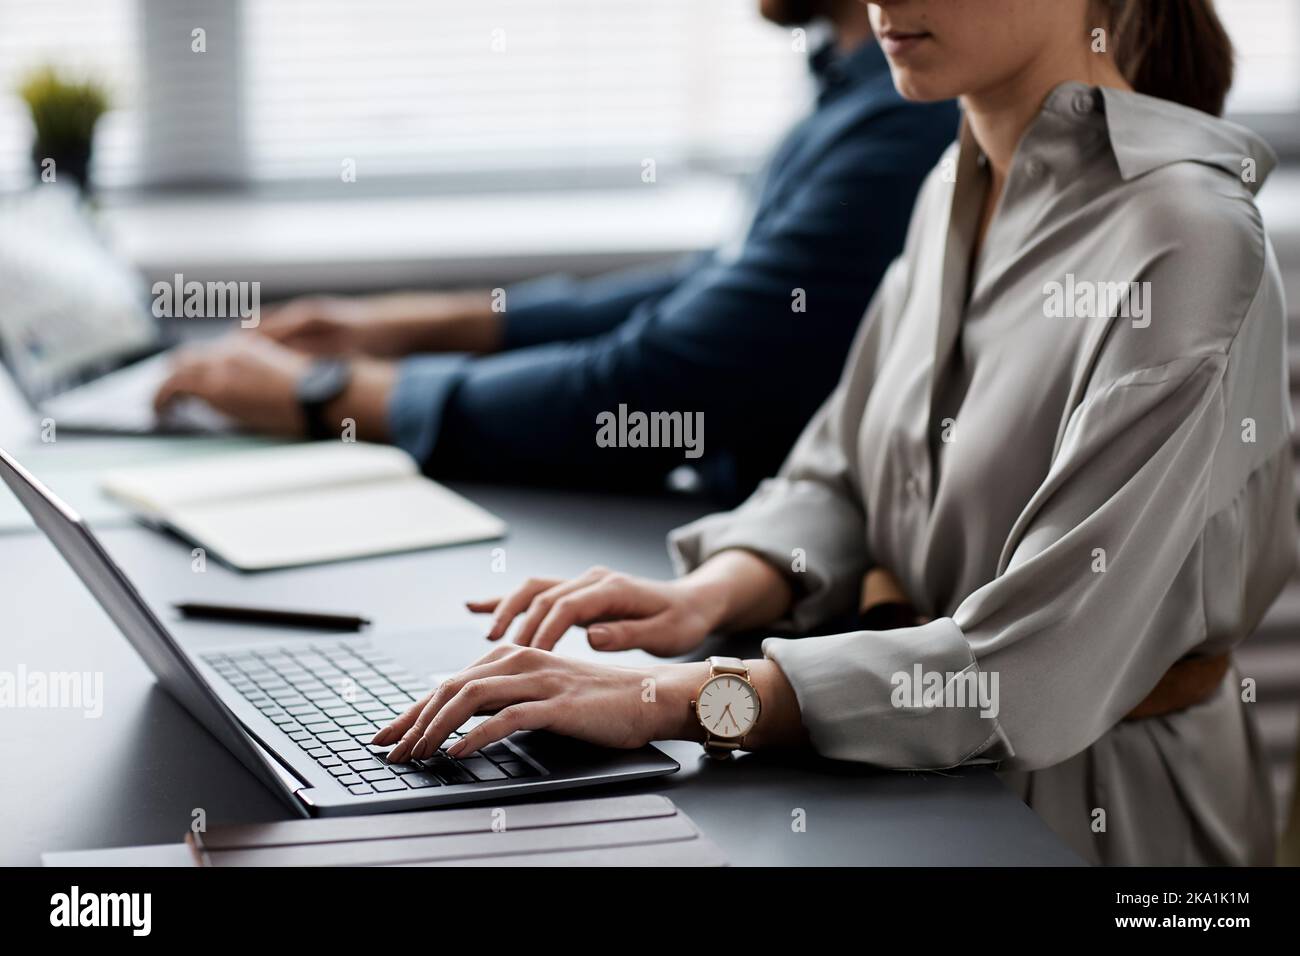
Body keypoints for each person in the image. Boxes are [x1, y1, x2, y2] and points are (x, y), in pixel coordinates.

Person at [373, 0, 1295, 866]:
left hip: (1095, 827)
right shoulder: (956, 179)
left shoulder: (1188, 241)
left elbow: (1033, 664)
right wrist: (712, 594)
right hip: (912, 782)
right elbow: (848, 469)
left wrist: (678, 698)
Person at [153, 1, 958, 503]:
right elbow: (717, 291)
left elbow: (657, 386)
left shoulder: (905, 122)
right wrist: (411, 327)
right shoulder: (852, 96)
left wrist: (325, 395)